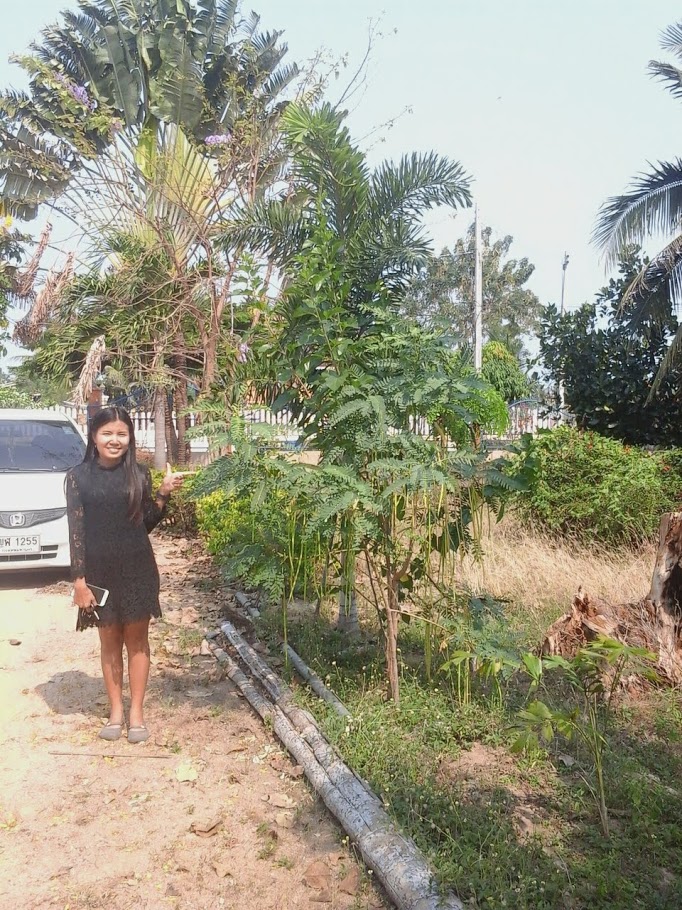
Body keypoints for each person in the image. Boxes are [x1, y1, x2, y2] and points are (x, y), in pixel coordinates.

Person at [65, 406, 186, 744]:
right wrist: (79, 581)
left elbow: (144, 524)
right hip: (99, 574)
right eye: (107, 433)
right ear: (94, 436)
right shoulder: (77, 477)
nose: (114, 440)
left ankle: (136, 714)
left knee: (137, 642)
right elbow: (76, 532)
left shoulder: (139, 475)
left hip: (137, 569)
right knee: (108, 643)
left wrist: (162, 493)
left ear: (130, 438)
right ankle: (116, 711)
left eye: (121, 434)